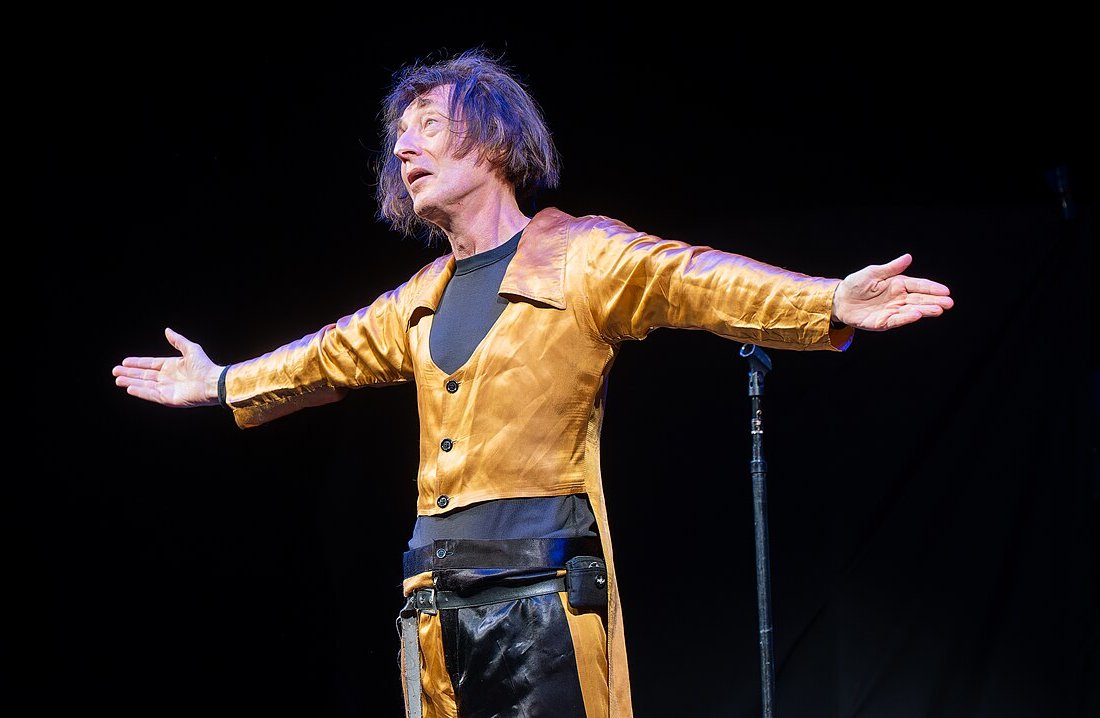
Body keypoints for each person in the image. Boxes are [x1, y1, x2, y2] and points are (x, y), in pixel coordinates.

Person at [112, 48, 953, 718]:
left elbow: (699, 279)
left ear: (491, 140)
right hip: (433, 606)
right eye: (398, 136)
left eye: (428, 126)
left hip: (540, 601)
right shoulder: (418, 301)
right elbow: (321, 358)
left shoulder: (580, 257)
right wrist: (221, 384)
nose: (403, 147)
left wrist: (830, 300)